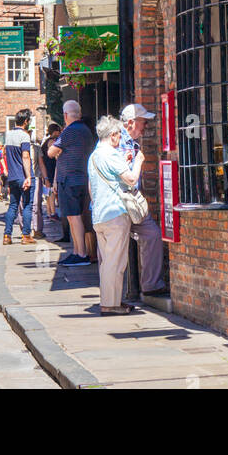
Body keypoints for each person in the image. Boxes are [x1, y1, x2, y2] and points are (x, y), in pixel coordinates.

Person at [88, 115, 143, 316]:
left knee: (107, 262)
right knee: (116, 262)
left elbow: (91, 188)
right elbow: (130, 179)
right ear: (112, 135)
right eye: (119, 134)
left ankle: (112, 300)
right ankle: (110, 305)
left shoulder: (93, 156)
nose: (120, 138)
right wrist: (138, 162)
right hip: (115, 213)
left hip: (99, 216)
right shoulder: (110, 154)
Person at [119, 103, 168, 297]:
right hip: (119, 203)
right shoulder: (118, 142)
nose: (145, 127)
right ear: (131, 122)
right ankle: (116, 296)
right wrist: (138, 162)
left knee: (152, 234)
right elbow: (123, 175)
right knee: (115, 249)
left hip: (133, 203)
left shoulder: (131, 142)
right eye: (143, 122)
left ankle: (150, 284)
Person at [51, 100, 95, 266]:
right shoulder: (85, 131)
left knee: (74, 217)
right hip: (81, 178)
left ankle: (81, 253)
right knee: (74, 216)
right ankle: (77, 251)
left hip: (69, 180)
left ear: (65, 115)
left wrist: (59, 151)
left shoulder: (69, 131)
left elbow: (51, 151)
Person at [2, 108, 35, 245]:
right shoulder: (25, 136)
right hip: (23, 175)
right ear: (26, 121)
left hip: (13, 177)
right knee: (27, 205)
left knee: (13, 206)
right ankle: (26, 235)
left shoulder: (8, 135)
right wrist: (28, 176)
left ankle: (7, 236)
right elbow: (25, 156)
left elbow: (5, 154)